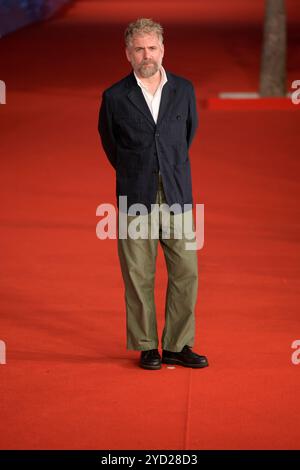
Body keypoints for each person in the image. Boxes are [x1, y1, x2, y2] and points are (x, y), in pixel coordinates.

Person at [98, 18, 208, 370]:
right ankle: (147, 346)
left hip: (178, 195)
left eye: (153, 47)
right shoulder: (114, 97)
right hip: (134, 197)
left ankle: (177, 344)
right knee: (138, 274)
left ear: (163, 49)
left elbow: (187, 136)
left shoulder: (184, 90)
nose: (147, 55)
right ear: (128, 53)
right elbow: (111, 144)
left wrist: (167, 167)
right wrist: (137, 171)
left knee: (186, 272)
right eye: (140, 49)